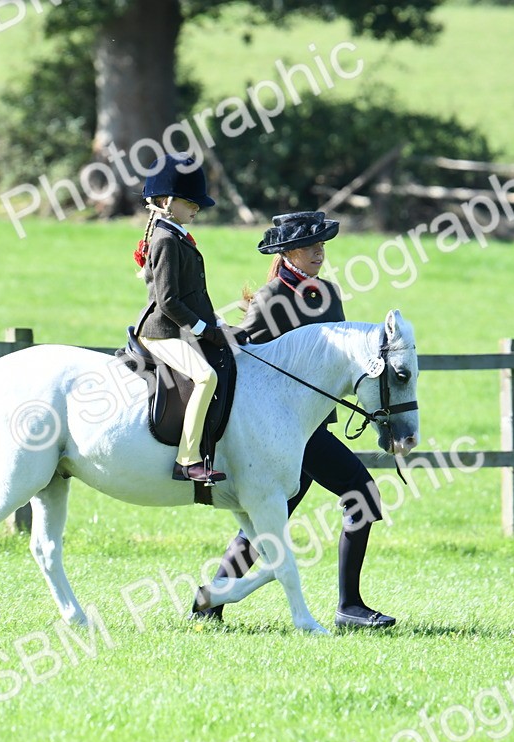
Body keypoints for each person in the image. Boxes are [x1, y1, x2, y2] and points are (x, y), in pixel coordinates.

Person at [194, 211, 396, 628]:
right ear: (288, 252)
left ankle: (210, 602)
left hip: (313, 427)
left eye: (322, 245)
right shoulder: (271, 298)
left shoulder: (330, 294)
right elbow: (246, 353)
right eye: (310, 247)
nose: (319, 253)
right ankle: (349, 607)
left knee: (267, 518)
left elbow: (343, 356)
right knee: (361, 494)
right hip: (281, 432)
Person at [132, 154, 229, 484]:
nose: (197, 208)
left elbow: (194, 295)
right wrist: (204, 330)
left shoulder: (176, 235)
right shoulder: (165, 239)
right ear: (166, 202)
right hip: (160, 332)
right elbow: (169, 300)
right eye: (190, 202)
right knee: (205, 377)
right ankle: (186, 460)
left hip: (177, 328)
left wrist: (217, 323)